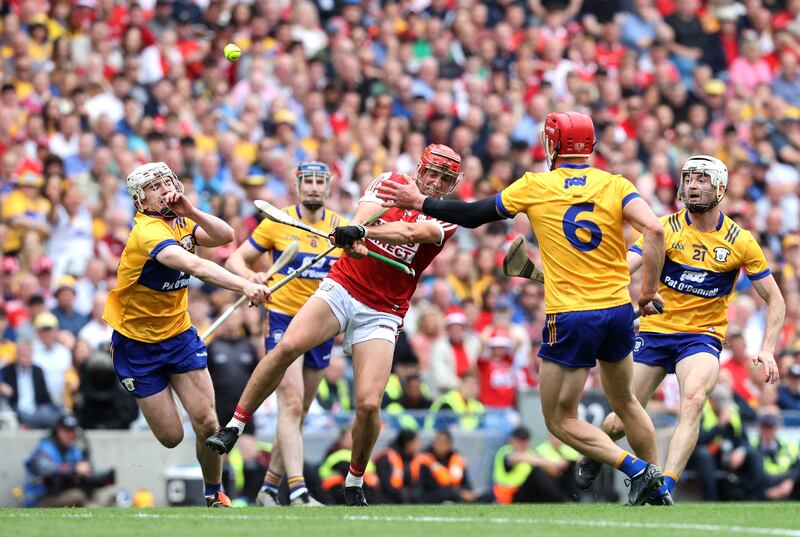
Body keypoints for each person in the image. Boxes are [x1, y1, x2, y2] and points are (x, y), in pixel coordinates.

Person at [378, 111, 667, 505]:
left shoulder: (535, 185)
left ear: (553, 145)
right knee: (627, 403)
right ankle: (658, 489)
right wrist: (647, 292)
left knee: (559, 420)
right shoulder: (615, 184)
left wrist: (421, 201)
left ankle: (638, 470)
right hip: (617, 311)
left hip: (571, 316)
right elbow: (654, 230)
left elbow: (476, 215)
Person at [206, 144, 463, 508]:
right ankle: (234, 425)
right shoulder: (390, 181)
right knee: (287, 348)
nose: (437, 183)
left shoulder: (448, 216)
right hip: (342, 287)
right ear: (421, 169)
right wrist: (357, 233)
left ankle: (354, 481)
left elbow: (408, 234)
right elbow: (365, 214)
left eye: (445, 178)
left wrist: (363, 234)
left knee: (369, 405)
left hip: (383, 310)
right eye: (433, 173)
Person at [578, 155, 783, 502]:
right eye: (689, 179)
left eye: (702, 180)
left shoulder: (740, 240)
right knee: (622, 418)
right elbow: (624, 268)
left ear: (720, 188)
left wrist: (767, 347)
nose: (693, 185)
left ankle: (664, 487)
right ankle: (596, 450)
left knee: (693, 399)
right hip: (655, 331)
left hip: (701, 337)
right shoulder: (664, 228)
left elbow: (776, 299)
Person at [102, 162, 271, 508]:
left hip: (179, 336)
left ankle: (214, 493)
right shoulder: (147, 232)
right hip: (136, 345)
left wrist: (191, 210)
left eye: (166, 181)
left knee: (208, 421)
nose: (163, 189)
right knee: (171, 436)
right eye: (153, 187)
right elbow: (195, 266)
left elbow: (225, 236)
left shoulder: (181, 220)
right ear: (141, 201)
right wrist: (244, 285)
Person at [224, 161, 347, 506]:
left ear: (328, 187)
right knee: (290, 404)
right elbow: (236, 259)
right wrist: (252, 277)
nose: (312, 187)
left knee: (299, 414)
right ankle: (298, 492)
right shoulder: (277, 222)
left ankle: (267, 490)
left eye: (318, 181)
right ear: (297, 185)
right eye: (306, 181)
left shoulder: (340, 228)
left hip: (322, 323)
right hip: (282, 319)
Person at [23, 414, 115, 507]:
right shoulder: (45, 448)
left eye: (72, 430)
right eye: (66, 430)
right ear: (57, 430)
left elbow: (83, 469)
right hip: (41, 498)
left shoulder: (72, 449)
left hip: (59, 492)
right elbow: (46, 470)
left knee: (89, 490)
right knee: (76, 496)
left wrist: (96, 477)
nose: (70, 434)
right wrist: (74, 469)